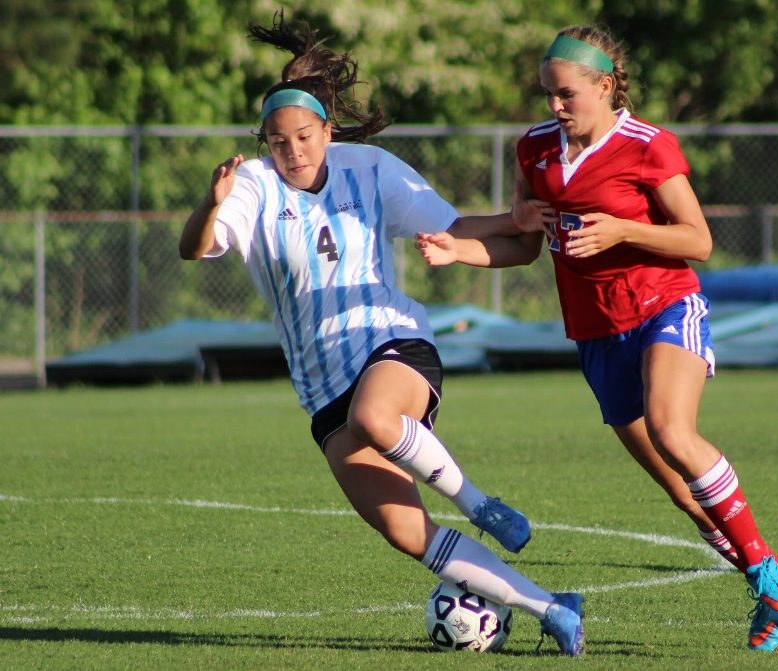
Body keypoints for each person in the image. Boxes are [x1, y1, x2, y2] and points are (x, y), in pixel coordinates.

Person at [178, 14, 584, 656]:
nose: (294, 151)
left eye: (305, 137)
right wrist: (209, 202)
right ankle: (551, 607)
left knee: (374, 413)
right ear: (264, 143)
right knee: (406, 531)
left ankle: (481, 504)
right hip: (320, 389)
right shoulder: (250, 186)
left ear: (326, 131)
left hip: (391, 344)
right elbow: (195, 247)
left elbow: (454, 224)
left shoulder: (368, 168)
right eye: (278, 142)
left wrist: (514, 219)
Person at [416, 24, 778, 653]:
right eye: (547, 94)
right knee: (680, 491)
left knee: (672, 429)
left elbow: (698, 239)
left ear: (604, 86)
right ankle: (771, 583)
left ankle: (765, 566)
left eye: (567, 93)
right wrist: (459, 247)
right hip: (596, 333)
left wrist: (623, 230)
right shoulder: (535, 150)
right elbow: (519, 244)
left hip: (664, 307)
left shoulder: (649, 146)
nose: (555, 106)